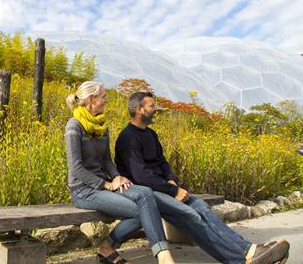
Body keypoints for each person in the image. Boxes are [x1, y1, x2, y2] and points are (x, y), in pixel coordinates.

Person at [115, 91, 290, 264]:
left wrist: (172, 179)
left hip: (163, 188)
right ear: (139, 109)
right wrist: (173, 190)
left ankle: (249, 250)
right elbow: (141, 176)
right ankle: (238, 260)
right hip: (147, 194)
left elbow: (162, 162)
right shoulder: (127, 138)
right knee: (192, 216)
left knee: (201, 207)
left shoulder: (150, 134)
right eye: (151, 106)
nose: (156, 109)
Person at [65, 81, 176, 264]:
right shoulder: (74, 126)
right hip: (83, 190)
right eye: (103, 97)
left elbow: (107, 160)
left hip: (104, 185)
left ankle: (109, 249)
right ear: (92, 99)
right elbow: (76, 168)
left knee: (145, 194)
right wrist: (107, 184)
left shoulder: (102, 126)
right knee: (142, 211)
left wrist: (116, 176)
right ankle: (159, 256)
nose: (106, 101)